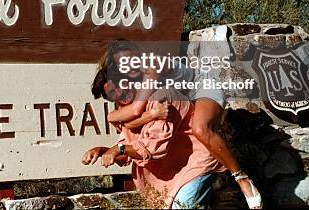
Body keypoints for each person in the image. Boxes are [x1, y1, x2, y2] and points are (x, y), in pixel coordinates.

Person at [99, 40, 262, 209]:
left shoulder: (152, 67)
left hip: (200, 87)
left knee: (200, 129)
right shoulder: (132, 81)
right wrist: (147, 115)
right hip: (183, 99)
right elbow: (131, 121)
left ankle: (241, 177)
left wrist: (112, 117)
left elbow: (135, 111)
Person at [83, 78, 224, 208]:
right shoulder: (124, 112)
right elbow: (127, 153)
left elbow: (152, 149)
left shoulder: (161, 97)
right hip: (171, 173)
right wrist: (102, 151)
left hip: (196, 162)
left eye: (120, 85)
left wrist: (119, 149)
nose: (120, 93)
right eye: (112, 93)